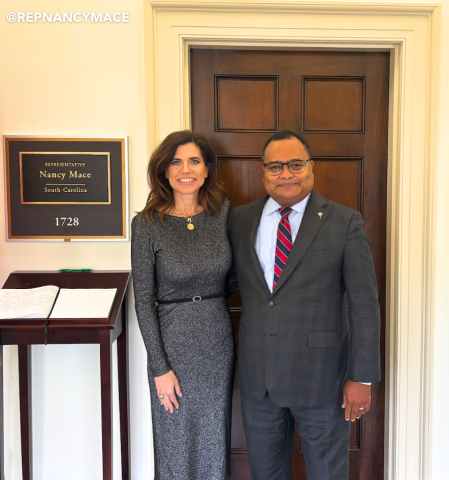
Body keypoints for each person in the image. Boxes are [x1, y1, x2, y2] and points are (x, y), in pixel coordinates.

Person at [227, 130, 381, 480]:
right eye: (276, 166)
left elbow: (365, 307)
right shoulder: (239, 220)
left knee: (328, 474)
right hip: (258, 380)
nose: (286, 173)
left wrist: (362, 378)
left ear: (311, 168)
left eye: (295, 164)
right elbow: (228, 284)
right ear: (263, 172)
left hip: (323, 381)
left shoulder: (345, 222)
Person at [131, 130, 235, 480]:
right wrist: (160, 367)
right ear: (164, 171)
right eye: (175, 161)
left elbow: (236, 279)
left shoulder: (223, 214)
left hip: (217, 342)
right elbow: (143, 302)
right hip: (171, 347)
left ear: (206, 170)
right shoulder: (146, 225)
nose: (185, 169)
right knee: (174, 439)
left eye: (194, 161)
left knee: (213, 437)